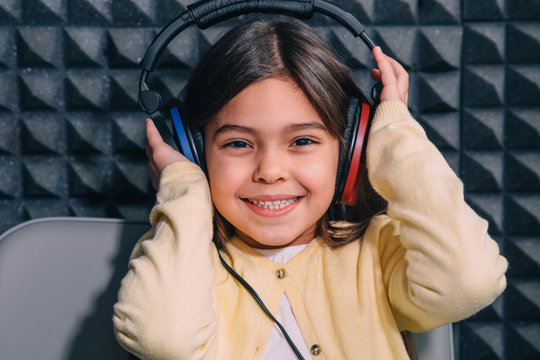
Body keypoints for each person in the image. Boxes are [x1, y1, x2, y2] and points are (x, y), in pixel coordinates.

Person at [113, 18, 507, 360]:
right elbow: (162, 341)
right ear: (194, 153)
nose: (270, 171)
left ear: (351, 150)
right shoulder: (184, 263)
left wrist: (393, 135)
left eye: (302, 141)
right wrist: (185, 193)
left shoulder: (379, 254)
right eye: (237, 143)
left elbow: (470, 280)